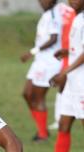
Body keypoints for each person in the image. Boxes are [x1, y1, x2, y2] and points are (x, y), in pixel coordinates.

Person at [32, 0, 84, 152]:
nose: (74, 1)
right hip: (72, 82)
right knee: (63, 125)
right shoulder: (76, 17)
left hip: (81, 83)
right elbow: (78, 48)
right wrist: (67, 52)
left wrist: (64, 71)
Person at [21, 0, 62, 142]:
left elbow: (53, 38)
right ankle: (42, 130)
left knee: (38, 97)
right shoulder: (47, 14)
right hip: (40, 61)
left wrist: (32, 51)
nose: (41, 2)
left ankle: (43, 134)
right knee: (27, 94)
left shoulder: (54, 14)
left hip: (49, 63)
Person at [49, 2, 76, 130]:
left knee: (63, 84)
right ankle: (58, 118)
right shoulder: (64, 10)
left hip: (74, 57)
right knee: (63, 86)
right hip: (69, 53)